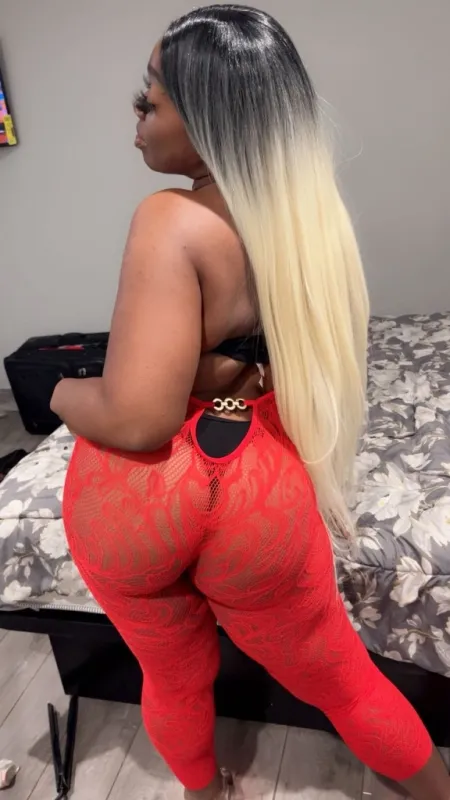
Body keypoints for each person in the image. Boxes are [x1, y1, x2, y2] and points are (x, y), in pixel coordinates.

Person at [52, 6, 450, 800]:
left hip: (138, 498)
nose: (135, 115)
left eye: (149, 98)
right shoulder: (308, 223)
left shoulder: (169, 217)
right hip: (256, 487)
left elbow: (139, 417)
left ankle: (204, 793)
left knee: (173, 677)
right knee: (346, 682)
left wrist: (60, 390)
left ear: (211, 118)